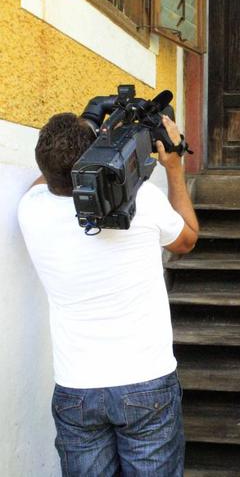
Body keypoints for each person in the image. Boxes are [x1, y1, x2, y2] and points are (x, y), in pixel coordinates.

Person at [17, 111, 198, 476]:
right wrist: (174, 167)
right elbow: (187, 239)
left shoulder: (30, 209)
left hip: (76, 389)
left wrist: (80, 136)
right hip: (146, 381)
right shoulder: (143, 200)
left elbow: (48, 176)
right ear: (93, 156)